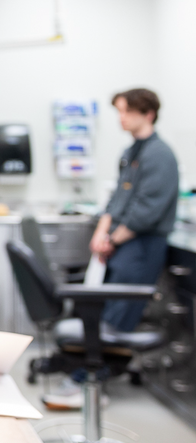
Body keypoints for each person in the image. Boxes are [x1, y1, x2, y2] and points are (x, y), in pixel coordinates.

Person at [89, 88, 178, 331]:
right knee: (108, 311)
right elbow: (117, 197)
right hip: (121, 245)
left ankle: (112, 366)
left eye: (127, 111)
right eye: (119, 111)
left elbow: (146, 212)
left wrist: (112, 241)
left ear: (148, 114)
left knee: (120, 318)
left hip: (141, 246)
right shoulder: (130, 153)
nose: (122, 117)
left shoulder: (159, 154)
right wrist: (101, 232)